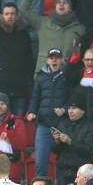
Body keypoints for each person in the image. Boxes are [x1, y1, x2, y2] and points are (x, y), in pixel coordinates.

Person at [26, 48, 71, 177]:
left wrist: (65, 109)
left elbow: (73, 97)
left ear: (61, 59)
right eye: (51, 57)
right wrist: (31, 111)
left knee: (65, 162)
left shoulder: (67, 75)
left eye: (57, 57)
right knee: (40, 163)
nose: (54, 60)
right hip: (44, 124)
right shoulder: (40, 77)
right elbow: (35, 97)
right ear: (47, 60)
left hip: (62, 125)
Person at [20, 0, 85, 75]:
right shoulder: (42, 22)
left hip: (66, 75)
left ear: (70, 8)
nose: (61, 5)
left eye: (65, 3)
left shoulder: (79, 28)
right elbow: (23, 10)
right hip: (43, 74)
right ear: (55, 6)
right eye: (58, 2)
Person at [0, 2, 34, 116]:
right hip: (0, 86)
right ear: (2, 15)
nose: (10, 16)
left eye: (13, 13)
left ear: (17, 15)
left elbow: (29, 61)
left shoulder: (24, 34)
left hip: (20, 88)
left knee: (18, 124)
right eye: (7, 13)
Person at [52, 93, 93, 185]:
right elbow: (55, 151)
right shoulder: (62, 124)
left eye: (74, 108)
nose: (70, 111)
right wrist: (57, 142)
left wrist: (70, 141)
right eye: (69, 108)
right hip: (63, 172)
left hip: (82, 174)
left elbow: (90, 151)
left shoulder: (91, 127)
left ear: (83, 110)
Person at [0, 93, 28, 183]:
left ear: (7, 105)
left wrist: (10, 131)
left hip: (11, 167)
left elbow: (22, 145)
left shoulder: (17, 121)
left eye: (2, 104)